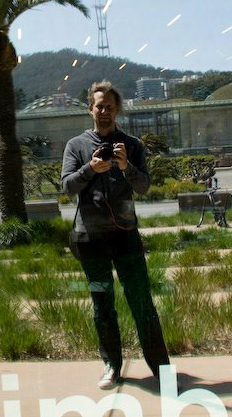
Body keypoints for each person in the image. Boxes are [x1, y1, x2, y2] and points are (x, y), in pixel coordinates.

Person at [60, 80, 170, 390]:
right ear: (90, 109)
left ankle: (161, 369)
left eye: (109, 106)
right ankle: (111, 366)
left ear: (117, 109)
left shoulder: (132, 145)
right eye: (99, 106)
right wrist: (89, 170)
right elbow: (67, 188)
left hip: (126, 237)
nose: (104, 111)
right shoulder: (76, 145)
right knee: (101, 302)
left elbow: (144, 186)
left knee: (142, 301)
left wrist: (126, 167)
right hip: (90, 239)